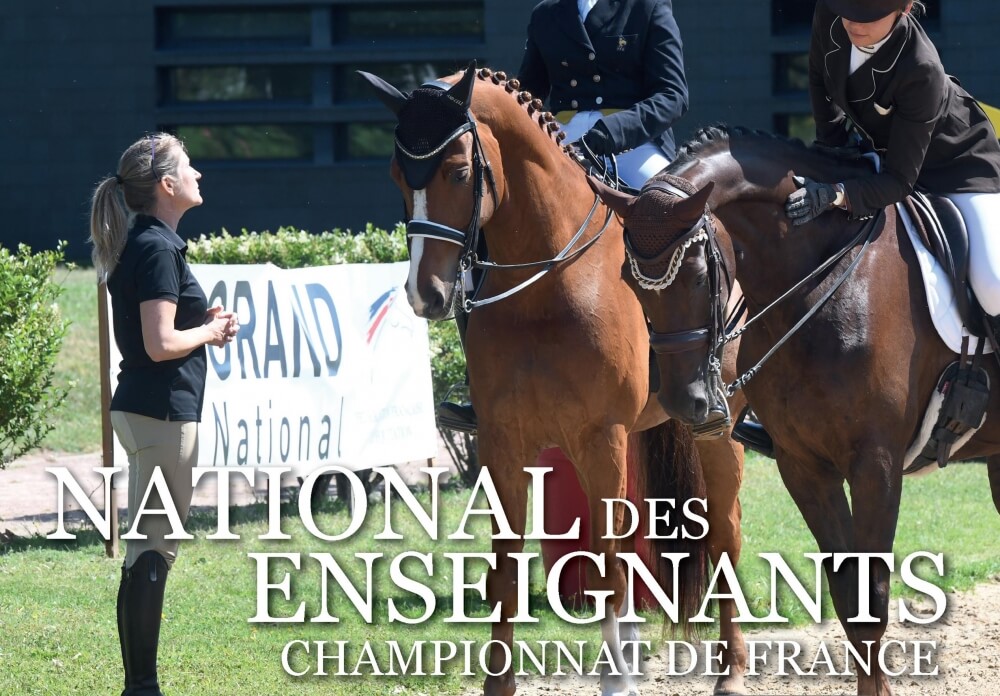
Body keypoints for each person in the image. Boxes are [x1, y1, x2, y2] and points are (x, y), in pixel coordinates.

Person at [437, 0, 690, 431]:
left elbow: (672, 95)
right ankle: (478, 380)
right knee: (484, 223)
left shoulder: (645, 8)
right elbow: (525, 97)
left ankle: (693, 369)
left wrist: (611, 133)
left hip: (632, 143)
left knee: (673, 218)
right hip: (563, 141)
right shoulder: (546, 15)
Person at [89, 132, 238, 695]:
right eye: (189, 167)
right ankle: (142, 687)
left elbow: (163, 333)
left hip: (150, 412)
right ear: (167, 185)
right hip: (161, 414)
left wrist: (203, 327)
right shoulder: (154, 246)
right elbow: (158, 343)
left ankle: (140, 684)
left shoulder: (151, 241)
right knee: (153, 546)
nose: (200, 173)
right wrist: (211, 330)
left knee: (147, 545)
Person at [786, 0, 1000, 316]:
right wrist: (830, 147)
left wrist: (838, 194)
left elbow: (900, 181)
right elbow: (819, 75)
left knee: (993, 286)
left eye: (868, 16)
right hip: (883, 154)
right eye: (849, 11)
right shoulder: (831, 14)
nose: (854, 23)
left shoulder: (920, 67)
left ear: (905, 8)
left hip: (958, 165)